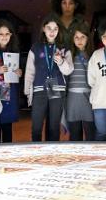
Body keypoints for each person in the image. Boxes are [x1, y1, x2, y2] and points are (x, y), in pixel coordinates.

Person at [24, 13, 74, 142]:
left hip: (57, 89)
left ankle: (53, 156)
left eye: (55, 29)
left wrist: (61, 62)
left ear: (59, 30)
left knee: (53, 127)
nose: (52, 32)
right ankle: (36, 153)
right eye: (49, 28)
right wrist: (27, 91)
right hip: (39, 90)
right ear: (43, 29)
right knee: (36, 127)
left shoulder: (64, 48)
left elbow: (69, 70)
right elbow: (29, 71)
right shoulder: (35, 48)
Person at [66, 23, 95, 141]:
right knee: (74, 135)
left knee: (91, 133)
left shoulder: (94, 55)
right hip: (72, 98)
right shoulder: (68, 55)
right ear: (72, 39)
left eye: (83, 37)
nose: (79, 40)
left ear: (88, 38)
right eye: (76, 37)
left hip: (89, 97)